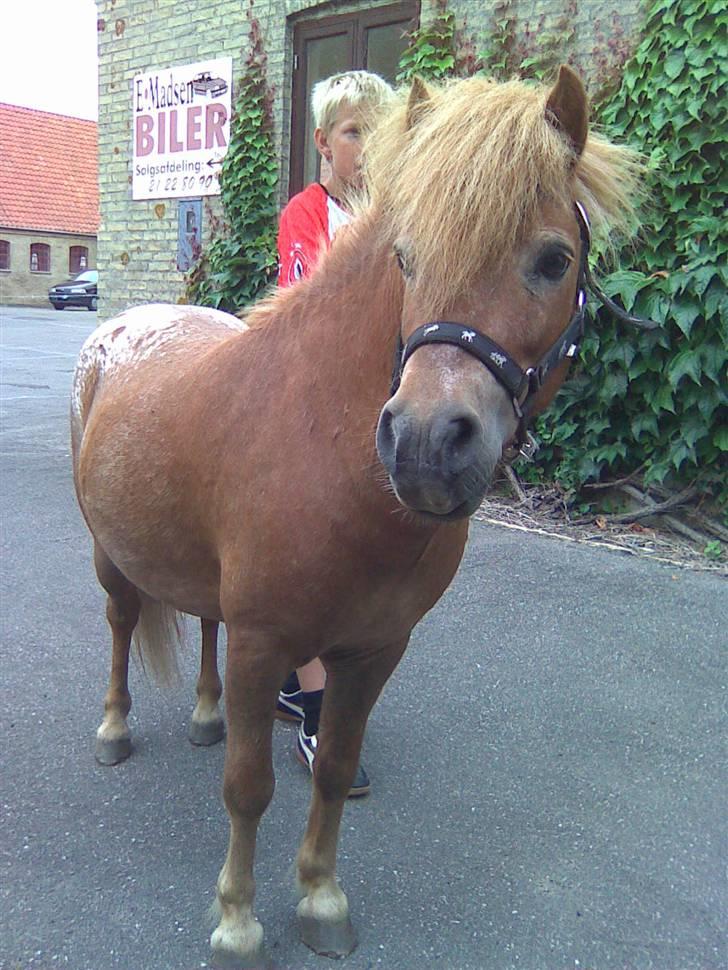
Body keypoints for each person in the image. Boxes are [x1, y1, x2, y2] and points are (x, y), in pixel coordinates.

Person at [275, 70, 394, 798]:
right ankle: (317, 710)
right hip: (314, 396)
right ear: (323, 141)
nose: (367, 146)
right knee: (311, 555)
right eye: (354, 132)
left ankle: (297, 678)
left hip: (379, 402)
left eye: (378, 132)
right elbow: (304, 311)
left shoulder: (393, 213)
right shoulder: (306, 212)